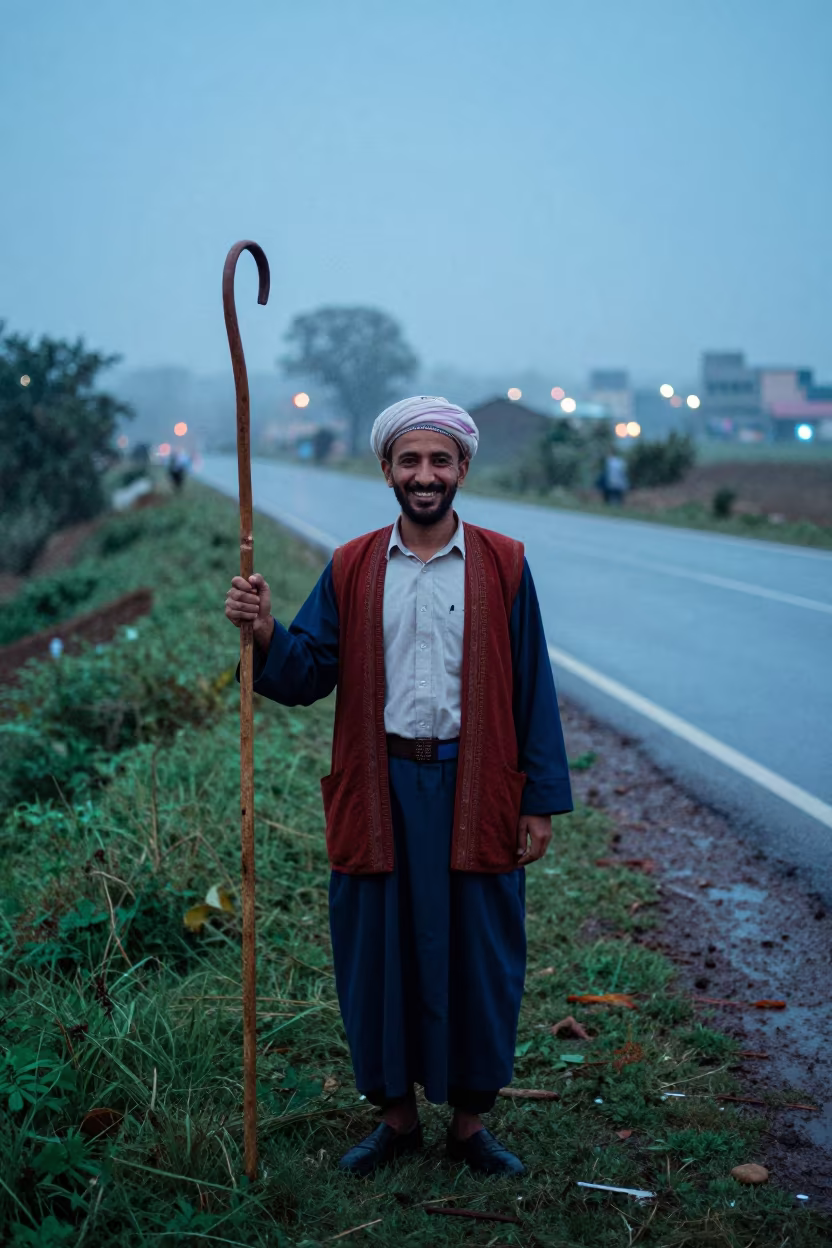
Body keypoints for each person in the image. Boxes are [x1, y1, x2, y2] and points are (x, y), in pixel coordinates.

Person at [224, 396, 573, 1177]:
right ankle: (396, 1118)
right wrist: (264, 630)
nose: (425, 476)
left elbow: (531, 688)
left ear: (462, 470)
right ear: (385, 469)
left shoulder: (503, 563)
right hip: (379, 787)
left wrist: (539, 799)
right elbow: (306, 670)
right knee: (376, 950)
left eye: (439, 461)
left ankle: (471, 1124)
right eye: (409, 461)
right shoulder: (351, 566)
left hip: (475, 785)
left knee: (479, 951)